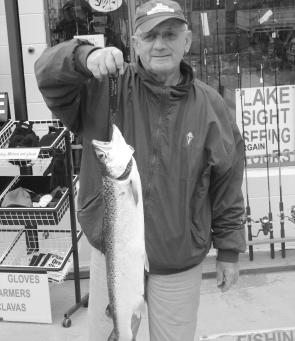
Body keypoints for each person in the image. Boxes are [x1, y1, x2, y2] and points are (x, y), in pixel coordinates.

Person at [35, 0, 246, 340]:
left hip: (178, 260)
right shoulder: (104, 87)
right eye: (149, 36)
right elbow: (46, 73)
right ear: (134, 44)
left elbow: (228, 183)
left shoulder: (211, 107)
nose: (160, 44)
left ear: (187, 41)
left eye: (170, 34)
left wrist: (229, 251)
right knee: (114, 332)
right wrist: (83, 56)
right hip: (114, 255)